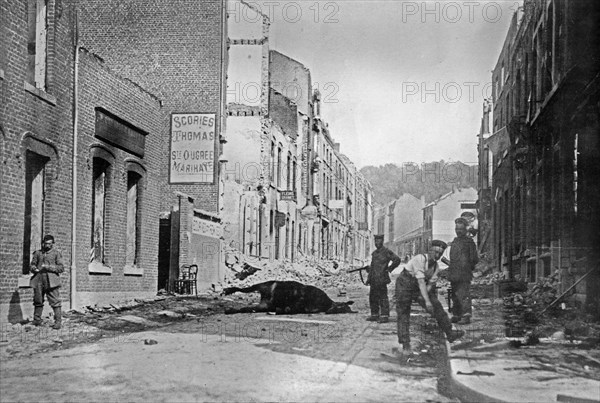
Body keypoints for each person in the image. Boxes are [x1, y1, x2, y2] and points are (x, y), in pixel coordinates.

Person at [394, 240, 464, 355]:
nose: (437, 255)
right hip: (405, 283)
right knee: (403, 312)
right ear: (429, 251)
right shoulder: (419, 259)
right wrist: (426, 301)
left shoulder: (436, 267)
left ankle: (450, 332)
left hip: (419, 286)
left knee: (437, 306)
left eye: (440, 254)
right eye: (435, 252)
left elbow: (429, 286)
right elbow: (421, 281)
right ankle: (405, 344)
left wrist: (426, 299)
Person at [448, 217, 479, 325]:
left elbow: (474, 259)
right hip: (454, 273)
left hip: (464, 273)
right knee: (455, 294)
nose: (458, 231)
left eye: (460, 229)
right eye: (457, 229)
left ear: (465, 229)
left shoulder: (469, 242)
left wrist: (467, 267)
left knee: (463, 294)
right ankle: (457, 315)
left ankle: (466, 316)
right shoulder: (455, 242)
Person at [30, 234, 64, 329]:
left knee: (55, 301)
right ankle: (37, 320)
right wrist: (34, 268)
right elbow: (32, 264)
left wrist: (49, 267)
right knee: (38, 300)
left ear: (53, 244)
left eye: (50, 244)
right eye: (46, 243)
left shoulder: (56, 254)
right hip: (39, 279)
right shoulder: (38, 253)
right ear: (43, 243)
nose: (47, 245)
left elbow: (61, 268)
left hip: (51, 281)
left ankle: (58, 322)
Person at [366, 234, 401, 323]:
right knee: (373, 297)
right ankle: (374, 314)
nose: (376, 243)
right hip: (374, 279)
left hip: (382, 278)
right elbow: (373, 267)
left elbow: (397, 260)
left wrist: (389, 269)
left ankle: (384, 315)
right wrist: (369, 277)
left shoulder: (386, 252)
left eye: (378, 241)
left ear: (382, 241)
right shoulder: (374, 253)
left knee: (383, 297)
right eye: (375, 241)